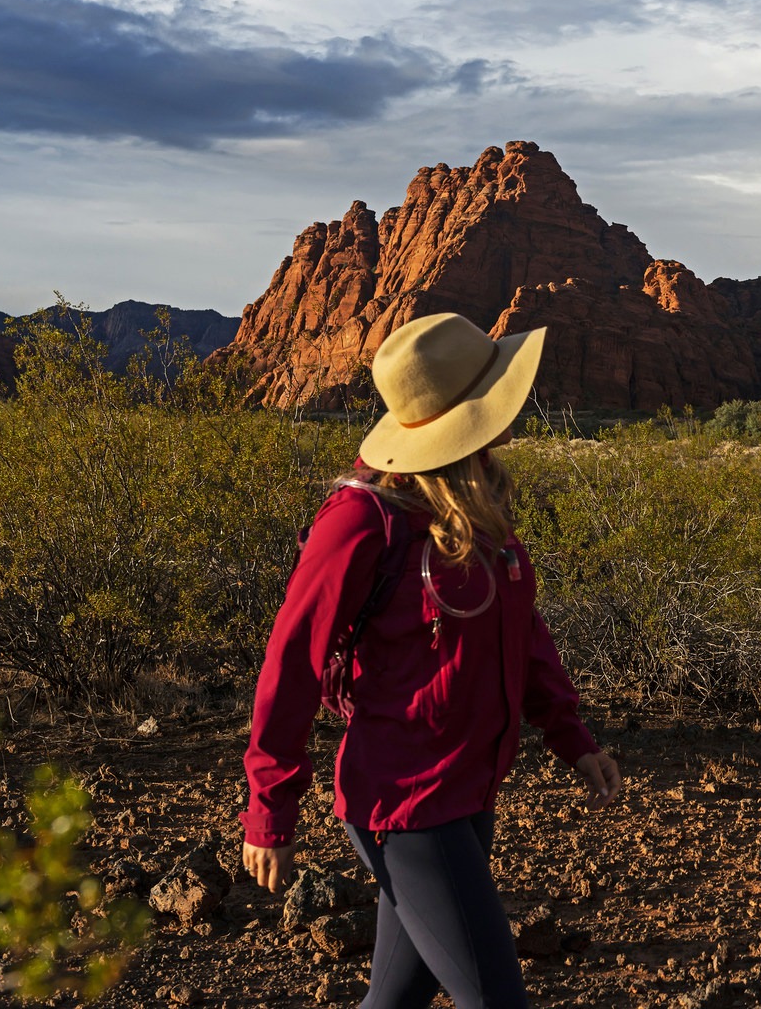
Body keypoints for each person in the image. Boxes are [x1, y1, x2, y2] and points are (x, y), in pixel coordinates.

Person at [239, 313, 621, 1009]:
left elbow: (522, 631)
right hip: (405, 804)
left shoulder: (477, 501)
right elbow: (291, 663)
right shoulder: (362, 519)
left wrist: (572, 736)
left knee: (397, 999)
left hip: (468, 789)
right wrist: (270, 809)